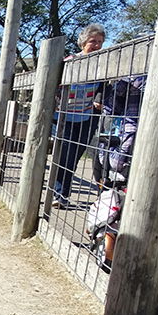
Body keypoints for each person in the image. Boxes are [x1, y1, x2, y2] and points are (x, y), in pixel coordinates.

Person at [52, 23, 106, 208]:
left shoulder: (102, 65)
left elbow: (104, 86)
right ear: (83, 42)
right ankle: (58, 193)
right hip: (66, 116)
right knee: (65, 155)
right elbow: (55, 86)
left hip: (87, 117)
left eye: (100, 42)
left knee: (75, 156)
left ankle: (62, 195)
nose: (97, 45)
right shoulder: (70, 62)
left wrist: (99, 98)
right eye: (93, 41)